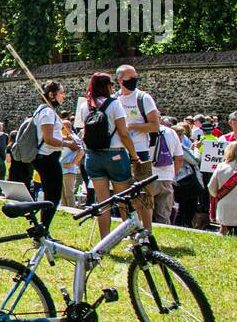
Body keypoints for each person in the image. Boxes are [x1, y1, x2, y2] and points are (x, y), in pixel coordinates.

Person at [80, 72, 140, 241]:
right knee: (124, 200)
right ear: (107, 86)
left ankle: (105, 240)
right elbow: (124, 133)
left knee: (103, 202)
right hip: (115, 154)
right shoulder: (115, 104)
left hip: (92, 156)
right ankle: (132, 238)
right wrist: (134, 157)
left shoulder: (86, 106)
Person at [9, 81, 74, 228]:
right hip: (47, 158)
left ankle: (42, 227)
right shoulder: (47, 112)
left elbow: (47, 136)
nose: (64, 96)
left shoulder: (44, 111)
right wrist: (68, 144)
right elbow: (48, 139)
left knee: (50, 194)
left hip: (45, 158)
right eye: (61, 93)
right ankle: (43, 229)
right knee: (53, 196)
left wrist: (65, 138)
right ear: (52, 94)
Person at [114, 64, 160, 233]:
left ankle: (147, 231)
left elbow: (155, 126)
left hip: (140, 151)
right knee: (124, 195)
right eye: (129, 79)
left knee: (144, 195)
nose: (133, 81)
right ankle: (130, 231)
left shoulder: (143, 98)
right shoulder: (115, 99)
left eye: (135, 78)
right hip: (120, 150)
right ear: (119, 80)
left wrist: (133, 126)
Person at [150, 117, 183, 225]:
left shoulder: (140, 130)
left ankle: (144, 237)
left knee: (144, 215)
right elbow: (179, 158)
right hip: (166, 177)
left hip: (146, 177)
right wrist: (172, 175)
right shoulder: (171, 132)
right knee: (163, 216)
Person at [170, 123, 202, 228]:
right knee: (188, 206)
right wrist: (196, 149)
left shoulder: (168, 146)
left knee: (181, 207)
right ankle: (184, 226)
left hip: (175, 179)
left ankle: (180, 225)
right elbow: (195, 160)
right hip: (186, 179)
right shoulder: (180, 147)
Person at [58, 118, 84, 207]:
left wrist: (72, 164)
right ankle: (64, 211)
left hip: (68, 170)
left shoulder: (74, 138)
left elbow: (81, 152)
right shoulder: (62, 137)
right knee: (62, 194)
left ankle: (72, 211)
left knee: (69, 193)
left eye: (62, 127)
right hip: (61, 168)